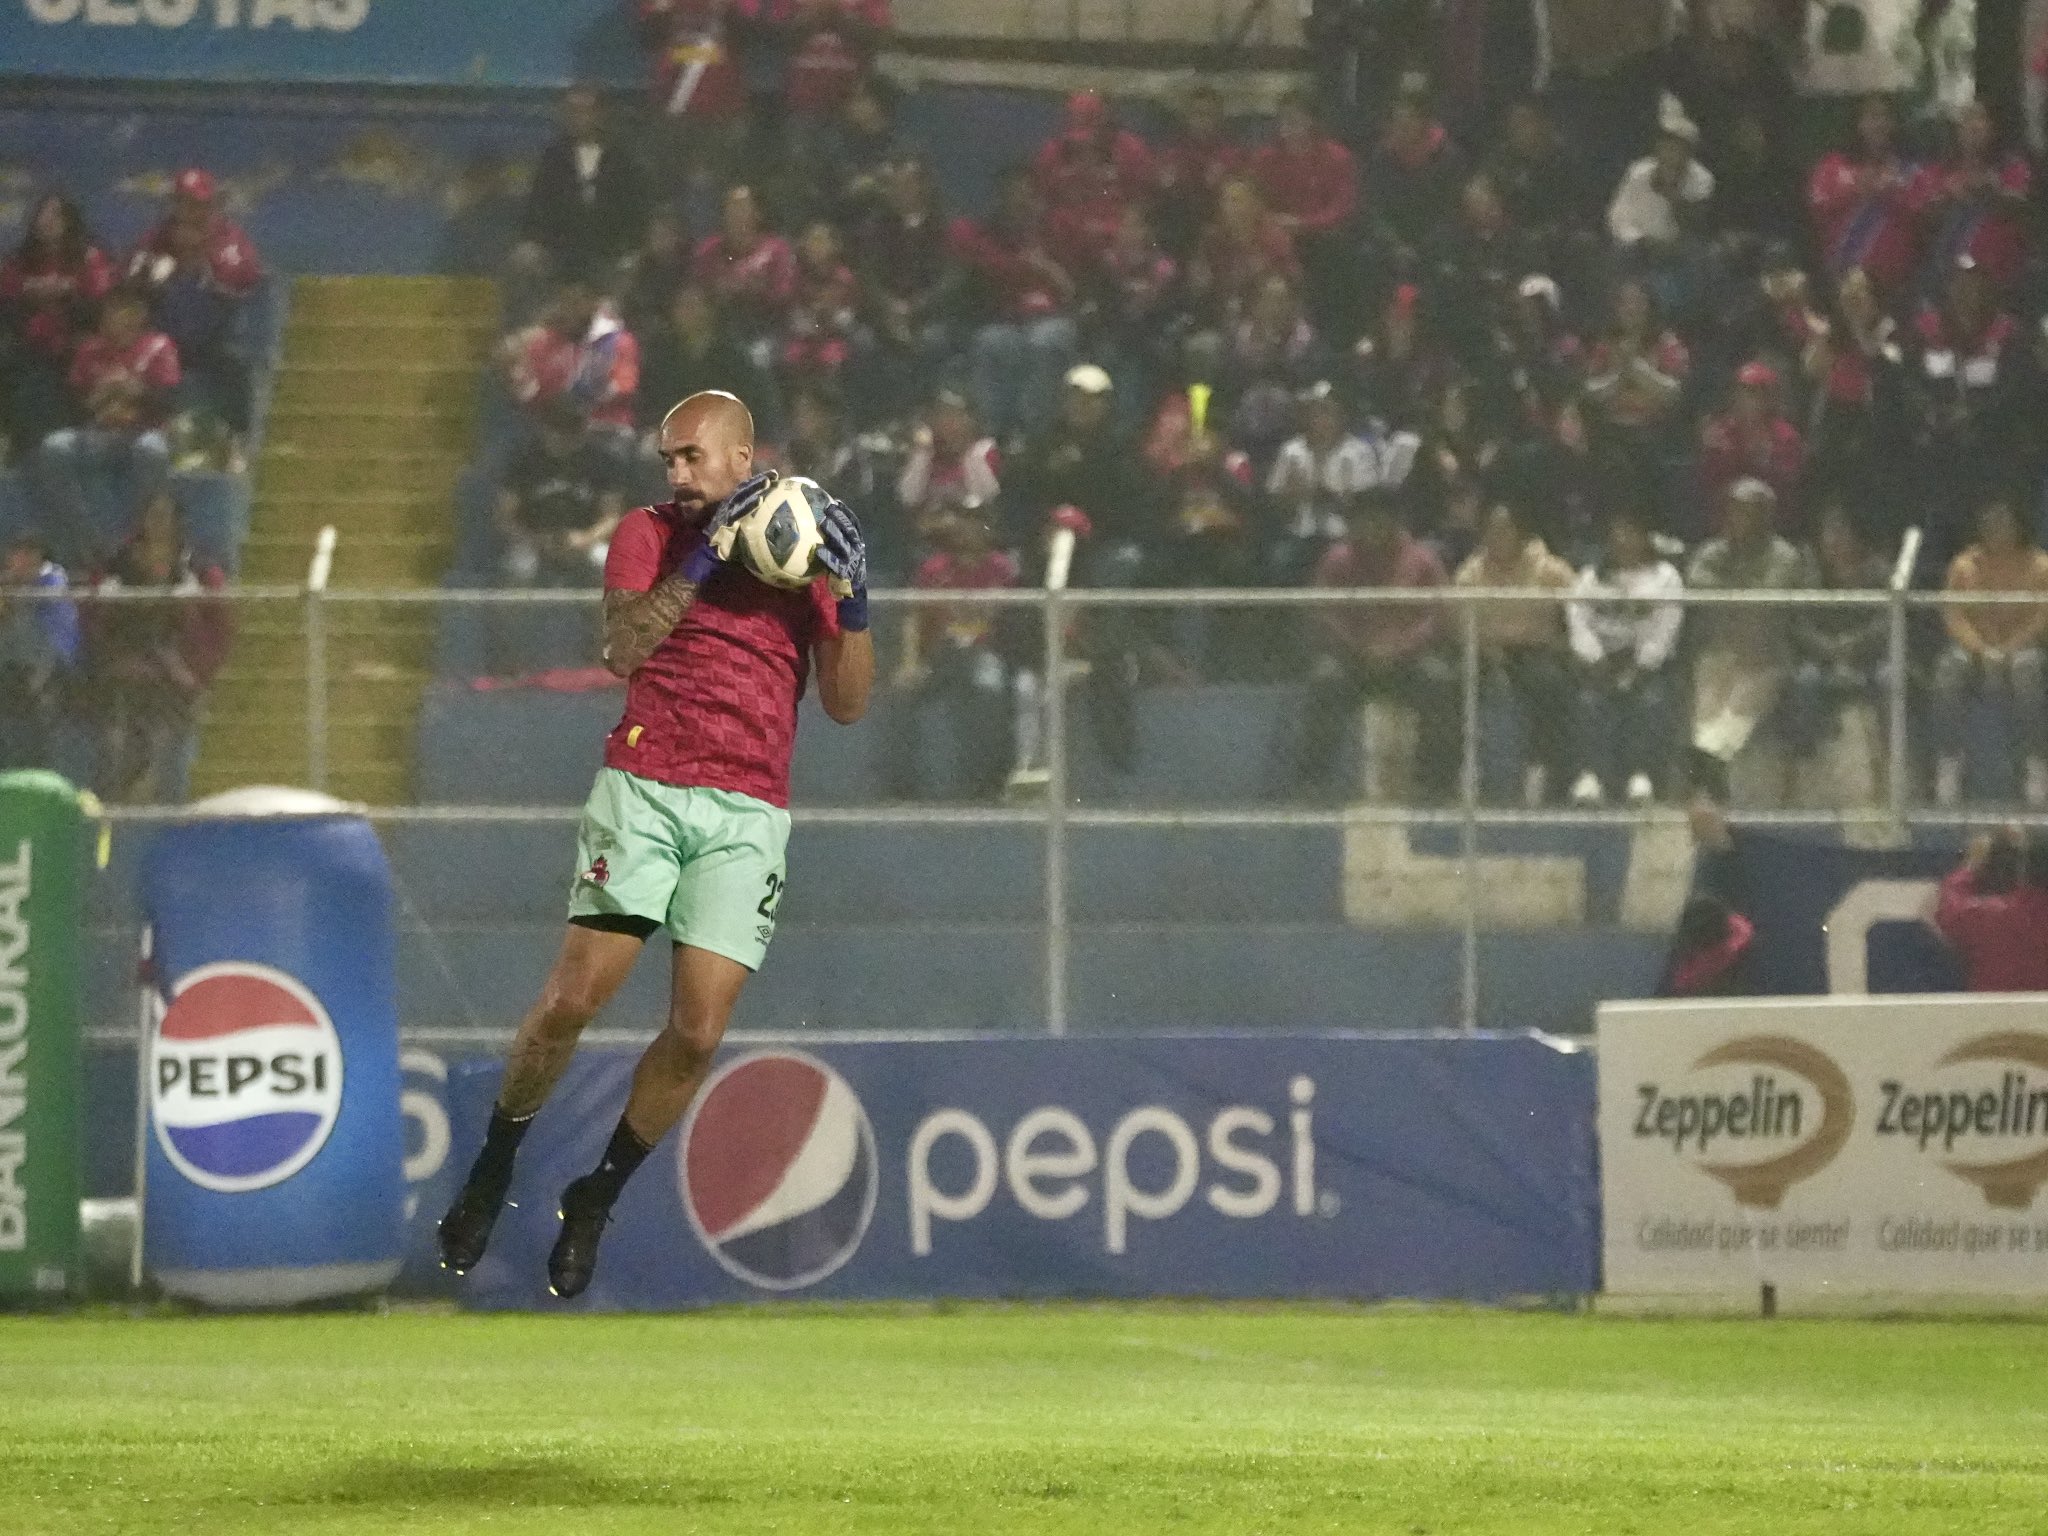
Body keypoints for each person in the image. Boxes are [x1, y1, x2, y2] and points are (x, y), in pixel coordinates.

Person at [436, 390, 875, 1299]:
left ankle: (596, 1196)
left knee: (699, 1029)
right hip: (647, 785)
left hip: (748, 810)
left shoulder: (803, 560)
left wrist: (856, 597)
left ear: (742, 458)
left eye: (689, 457)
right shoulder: (651, 532)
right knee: (572, 1000)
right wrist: (708, 560)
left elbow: (846, 702)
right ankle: (494, 1162)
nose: (674, 474)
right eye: (667, 459)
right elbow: (624, 649)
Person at [1293, 487, 1456, 802]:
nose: (1372, 526)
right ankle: (1311, 782)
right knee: (1325, 679)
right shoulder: (1338, 560)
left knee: (1439, 680)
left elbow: (1439, 614)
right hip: (1352, 660)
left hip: (1408, 661)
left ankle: (1435, 783)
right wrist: (1358, 646)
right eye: (1364, 519)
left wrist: (1400, 647)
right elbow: (1324, 611)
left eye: (1380, 519)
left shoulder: (1422, 560)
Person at [81, 491, 231, 804]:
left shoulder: (199, 570)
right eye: (152, 515)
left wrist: (194, 673)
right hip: (123, 679)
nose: (159, 524)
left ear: (179, 523)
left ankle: (170, 821)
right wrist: (114, 660)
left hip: (176, 681)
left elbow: (219, 630)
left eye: (166, 516)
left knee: (170, 756)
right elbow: (91, 622)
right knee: (115, 750)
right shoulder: (116, 567)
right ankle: (111, 813)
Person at [1686, 478, 1812, 801]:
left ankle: (1707, 762)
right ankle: (1709, 765)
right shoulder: (1714, 551)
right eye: (1732, 511)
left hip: (1768, 657)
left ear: (1764, 517)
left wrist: (1730, 601)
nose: (1735, 519)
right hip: (1722, 652)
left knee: (1744, 697)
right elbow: (1696, 583)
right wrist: (1739, 602)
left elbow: (1767, 602)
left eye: (1746, 513)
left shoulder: (1784, 555)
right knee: (1709, 695)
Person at [34, 288, 179, 566]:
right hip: (97, 433)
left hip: (141, 432)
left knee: (154, 451)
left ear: (139, 317)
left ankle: (138, 542)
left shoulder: (158, 346)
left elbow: (168, 399)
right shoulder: (91, 349)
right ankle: (88, 545)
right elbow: (74, 399)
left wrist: (135, 397)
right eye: (111, 314)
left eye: (125, 314)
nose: (116, 321)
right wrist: (101, 404)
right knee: (54, 448)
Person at [123, 168, 263, 448]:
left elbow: (244, 278)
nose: (188, 210)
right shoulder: (156, 239)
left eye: (197, 203)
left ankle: (237, 441)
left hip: (212, 337)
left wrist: (202, 260)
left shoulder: (228, 237)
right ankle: (143, 437)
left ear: (210, 205)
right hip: (163, 338)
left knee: (234, 364)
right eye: (182, 202)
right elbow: (130, 279)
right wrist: (163, 272)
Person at [890, 506, 1021, 801]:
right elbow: (913, 617)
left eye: (977, 523)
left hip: (985, 653)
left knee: (990, 691)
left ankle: (988, 785)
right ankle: (902, 787)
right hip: (939, 657)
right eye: (964, 522)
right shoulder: (933, 569)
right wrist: (909, 663)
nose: (970, 529)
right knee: (901, 696)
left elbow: (1015, 620)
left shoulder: (1002, 568)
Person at [1454, 497, 1575, 805]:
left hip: (1537, 652)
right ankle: (1477, 777)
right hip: (1486, 653)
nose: (1498, 536)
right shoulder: (1471, 573)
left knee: (1551, 684)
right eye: (1491, 530)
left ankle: (1547, 777)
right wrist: (1487, 649)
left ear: (1520, 532)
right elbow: (1459, 625)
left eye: (1505, 529)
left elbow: (1579, 611)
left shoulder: (1550, 569)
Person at [1931, 492, 2048, 809]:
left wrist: (2009, 649)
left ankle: (2037, 767)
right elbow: (1953, 615)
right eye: (1988, 523)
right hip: (1975, 650)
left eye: (2003, 523)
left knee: (2029, 670)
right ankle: (1949, 764)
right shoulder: (1964, 565)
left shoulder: (2040, 566)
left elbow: (2042, 616)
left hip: (2021, 649)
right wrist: (1981, 650)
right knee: (1948, 672)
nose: (1995, 529)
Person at [1566, 505, 1684, 807]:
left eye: (1631, 532)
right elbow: (1577, 617)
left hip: (1649, 665)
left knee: (1650, 702)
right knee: (1589, 702)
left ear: (1645, 537)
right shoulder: (1592, 576)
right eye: (1618, 531)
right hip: (1601, 662)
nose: (1624, 539)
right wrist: (1595, 659)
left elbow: (1666, 627)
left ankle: (1640, 776)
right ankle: (1592, 776)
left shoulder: (1665, 576)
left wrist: (1641, 666)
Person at [950, 167, 1079, 440]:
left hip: (1054, 319)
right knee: (989, 342)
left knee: (1045, 342)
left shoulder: (1057, 229)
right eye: (1013, 194)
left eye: (1027, 192)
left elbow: (1073, 287)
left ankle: (1034, 437)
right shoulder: (990, 234)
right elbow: (991, 274)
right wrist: (1027, 266)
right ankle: (993, 437)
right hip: (1008, 320)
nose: (1021, 200)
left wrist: (1047, 269)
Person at [1, 192, 113, 450]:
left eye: (56, 214)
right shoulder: (19, 260)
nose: (47, 220)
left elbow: (100, 304)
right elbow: (7, 303)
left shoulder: (90, 257)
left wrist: (67, 291)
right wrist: (30, 293)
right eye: (43, 213)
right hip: (29, 347)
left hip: (75, 346)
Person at [513, 85, 652, 291]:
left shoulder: (622, 157)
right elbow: (538, 205)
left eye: (584, 110)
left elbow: (636, 208)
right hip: (561, 255)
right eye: (571, 111)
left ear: (600, 114)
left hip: (610, 254)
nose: (576, 117)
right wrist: (532, 243)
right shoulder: (553, 156)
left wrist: (631, 250)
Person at [1783, 503, 1889, 766]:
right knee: (1803, 681)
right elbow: (1798, 622)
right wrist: (1829, 649)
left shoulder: (1878, 570)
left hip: (1868, 658)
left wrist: (1853, 646)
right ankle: (1806, 761)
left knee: (1891, 679)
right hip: (1821, 657)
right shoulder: (1808, 571)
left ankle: (1889, 761)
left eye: (1840, 532)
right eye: (1827, 533)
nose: (1833, 540)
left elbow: (1886, 622)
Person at [495, 401, 629, 587]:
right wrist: (537, 540)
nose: (565, 436)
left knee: (606, 563)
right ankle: (515, 617)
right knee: (520, 568)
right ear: (545, 429)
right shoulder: (524, 460)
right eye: (558, 429)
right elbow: (505, 516)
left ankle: (606, 617)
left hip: (585, 539)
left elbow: (612, 516)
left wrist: (585, 539)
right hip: (533, 541)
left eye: (571, 430)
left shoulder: (601, 461)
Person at [0, 533, 80, 772]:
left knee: (39, 747)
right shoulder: (6, 589)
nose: (22, 561)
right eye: (17, 554)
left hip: (48, 679)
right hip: (9, 676)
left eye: (29, 554)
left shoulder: (53, 586)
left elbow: (55, 644)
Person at [1934, 825, 2048, 992]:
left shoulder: (1992, 917)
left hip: (1991, 1015)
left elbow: (1951, 910)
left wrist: (1970, 867)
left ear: (2024, 870)